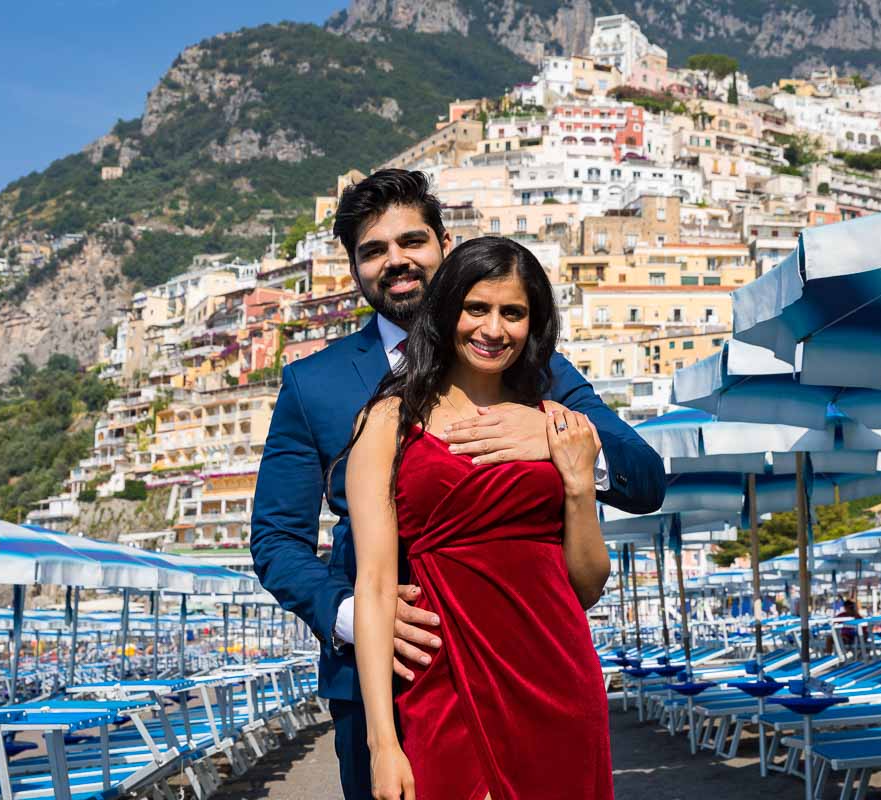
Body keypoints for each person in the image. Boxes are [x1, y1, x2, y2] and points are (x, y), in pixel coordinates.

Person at [251, 169, 666, 799]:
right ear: (354, 268)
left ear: (444, 244)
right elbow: (276, 541)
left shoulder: (534, 370)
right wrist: (354, 616)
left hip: (535, 665)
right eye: (373, 250)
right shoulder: (314, 385)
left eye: (411, 241)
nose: (396, 261)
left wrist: (546, 437)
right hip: (391, 674)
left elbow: (645, 477)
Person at [348, 236, 614, 798]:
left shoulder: (556, 422)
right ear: (447, 309)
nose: (493, 330)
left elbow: (586, 586)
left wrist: (578, 482)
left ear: (533, 325)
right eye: (477, 308)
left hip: (557, 677)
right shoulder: (387, 420)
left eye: (513, 313)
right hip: (444, 682)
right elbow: (372, 585)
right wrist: (382, 745)